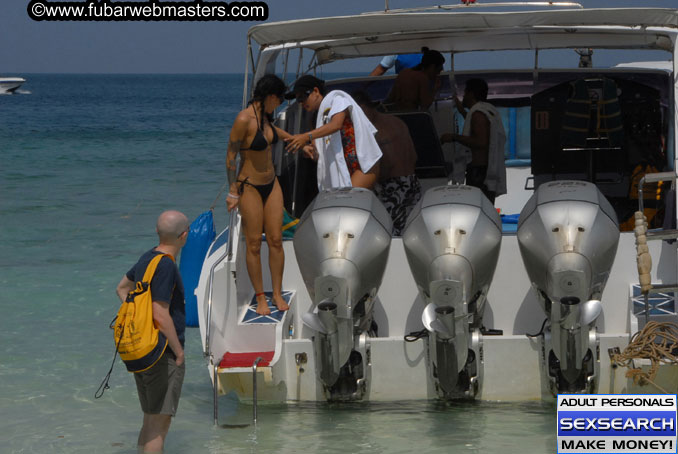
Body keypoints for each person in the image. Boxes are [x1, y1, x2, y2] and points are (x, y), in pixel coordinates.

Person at [115, 210, 189, 454]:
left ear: (158, 232)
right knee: (159, 426)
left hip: (142, 350)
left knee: (149, 419)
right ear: (184, 236)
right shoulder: (166, 266)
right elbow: (160, 313)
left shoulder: (148, 257)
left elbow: (122, 288)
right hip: (161, 353)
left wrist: (138, 318)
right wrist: (178, 352)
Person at [226, 74, 293, 316]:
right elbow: (230, 158)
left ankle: (277, 292)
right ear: (271, 97)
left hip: (271, 184)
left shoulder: (265, 118)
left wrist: (296, 140)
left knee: (276, 240)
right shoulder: (244, 119)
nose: (281, 104)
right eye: (280, 100)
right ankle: (261, 297)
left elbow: (273, 133)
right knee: (254, 243)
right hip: (249, 186)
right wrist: (233, 191)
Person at [284, 75, 382, 190]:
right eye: (298, 100)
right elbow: (318, 153)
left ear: (316, 91)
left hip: (363, 165)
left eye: (302, 97)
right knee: (343, 204)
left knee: (346, 201)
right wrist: (311, 152)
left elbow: (336, 124)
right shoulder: (316, 119)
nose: (301, 103)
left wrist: (306, 136)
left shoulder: (337, 100)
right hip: (343, 168)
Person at [352, 91, 421, 236]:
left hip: (392, 187)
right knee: (412, 228)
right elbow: (414, 155)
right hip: (411, 180)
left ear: (362, 107)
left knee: (390, 232)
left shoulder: (374, 129)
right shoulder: (396, 121)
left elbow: (386, 164)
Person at [440, 78, 507, 204]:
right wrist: (462, 112)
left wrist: (454, 137)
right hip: (483, 171)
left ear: (471, 93)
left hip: (479, 174)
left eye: (465, 93)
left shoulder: (478, 114)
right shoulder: (487, 111)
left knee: (478, 207)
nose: (464, 96)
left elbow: (481, 141)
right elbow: (477, 128)